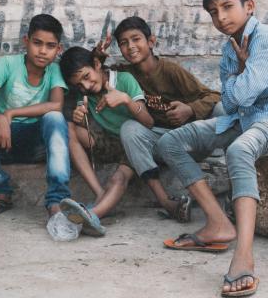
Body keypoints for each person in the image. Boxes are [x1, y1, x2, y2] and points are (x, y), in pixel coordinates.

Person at [155, 0, 268, 298]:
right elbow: (229, 101)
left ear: (249, 7)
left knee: (239, 150)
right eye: (213, 12)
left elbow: (241, 93)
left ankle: (244, 255)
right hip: (242, 119)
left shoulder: (267, 40)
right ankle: (218, 223)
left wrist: (240, 77)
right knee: (169, 142)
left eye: (227, 7)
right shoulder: (229, 48)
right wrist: (240, 78)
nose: (220, 17)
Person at [93, 16, 223, 223]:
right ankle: (165, 200)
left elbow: (214, 96)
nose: (131, 47)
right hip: (156, 142)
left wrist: (189, 109)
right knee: (130, 128)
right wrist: (98, 56)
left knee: (223, 110)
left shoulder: (170, 70)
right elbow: (93, 76)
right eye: (124, 43)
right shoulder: (125, 74)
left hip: (187, 141)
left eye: (136, 39)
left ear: (151, 42)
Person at [0, 14, 71, 227]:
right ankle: (1, 191)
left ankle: (57, 199)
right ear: (26, 41)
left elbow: (56, 105)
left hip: (36, 144)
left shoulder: (54, 70)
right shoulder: (9, 64)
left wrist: (11, 114)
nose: (42, 51)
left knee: (55, 118)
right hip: (1, 141)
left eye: (50, 46)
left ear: (58, 50)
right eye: (37, 43)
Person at [58, 46, 154, 237]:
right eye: (78, 84)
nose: (85, 86)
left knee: (118, 178)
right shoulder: (84, 94)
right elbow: (80, 120)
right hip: (109, 143)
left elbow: (149, 123)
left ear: (96, 64)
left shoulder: (124, 80)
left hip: (133, 144)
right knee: (70, 128)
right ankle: (100, 194)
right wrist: (79, 117)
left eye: (86, 77)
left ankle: (93, 216)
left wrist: (126, 100)